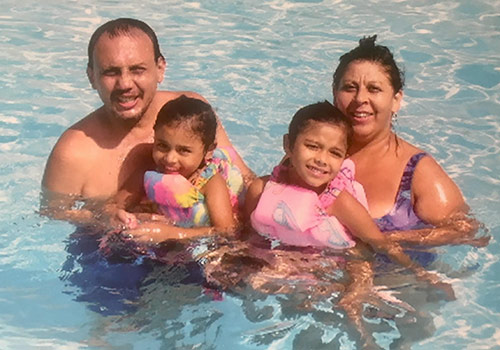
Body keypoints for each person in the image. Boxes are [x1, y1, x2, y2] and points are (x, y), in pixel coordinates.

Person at [243, 101, 453, 347]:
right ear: (288, 144)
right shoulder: (262, 189)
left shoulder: (337, 201)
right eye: (312, 146)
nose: (322, 160)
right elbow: (252, 236)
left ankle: (366, 341)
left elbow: (377, 243)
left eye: (334, 153)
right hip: (294, 264)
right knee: (254, 289)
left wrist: (422, 275)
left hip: (349, 263)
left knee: (351, 310)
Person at [40, 18, 252, 229]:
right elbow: (52, 214)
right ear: (92, 76)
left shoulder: (191, 117)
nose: (125, 84)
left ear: (160, 68)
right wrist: (102, 218)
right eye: (111, 72)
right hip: (107, 255)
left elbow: (245, 180)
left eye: (137, 70)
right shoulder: (73, 151)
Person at [332, 35, 488, 247]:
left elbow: (470, 233)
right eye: (349, 87)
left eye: (374, 89)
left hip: (395, 279)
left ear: (396, 100)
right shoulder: (311, 153)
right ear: (335, 95)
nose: (360, 99)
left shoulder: (418, 172)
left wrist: (385, 239)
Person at [107, 95, 245, 243]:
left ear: (209, 150)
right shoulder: (149, 168)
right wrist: (117, 215)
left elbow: (227, 232)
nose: (169, 159)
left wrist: (172, 234)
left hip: (198, 247)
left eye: (183, 150)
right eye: (162, 146)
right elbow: (113, 205)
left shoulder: (210, 182)